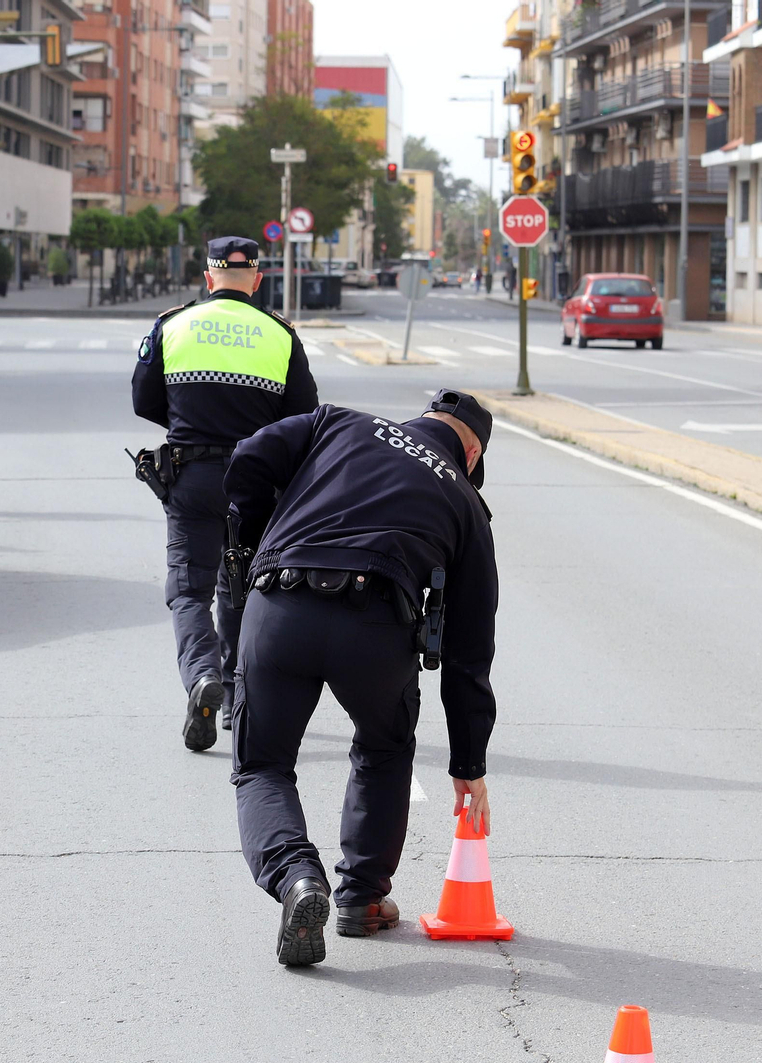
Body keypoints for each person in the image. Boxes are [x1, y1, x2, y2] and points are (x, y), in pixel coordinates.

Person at [221, 389, 498, 967]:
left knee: (263, 765)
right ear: (471, 454)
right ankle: (359, 899)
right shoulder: (466, 501)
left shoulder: (337, 423)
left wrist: (252, 542)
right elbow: (470, 651)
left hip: (280, 607)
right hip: (377, 626)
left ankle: (298, 880)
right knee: (384, 746)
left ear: (422, 418)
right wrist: (468, 766)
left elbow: (248, 456)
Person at [131, 236, 320, 752]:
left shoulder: (173, 324)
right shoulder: (280, 334)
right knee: (243, 585)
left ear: (208, 277)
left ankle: (201, 676)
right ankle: (238, 696)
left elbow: (144, 401)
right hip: (258, 480)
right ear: (257, 281)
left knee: (189, 590)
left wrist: (193, 418)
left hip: (191, 478)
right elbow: (305, 417)